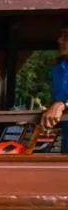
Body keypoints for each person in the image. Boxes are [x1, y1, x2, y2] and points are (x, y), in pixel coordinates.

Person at [41, 25, 68, 154]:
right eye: (61, 36)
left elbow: (61, 103)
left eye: (66, 37)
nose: (60, 41)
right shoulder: (57, 69)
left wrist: (63, 104)